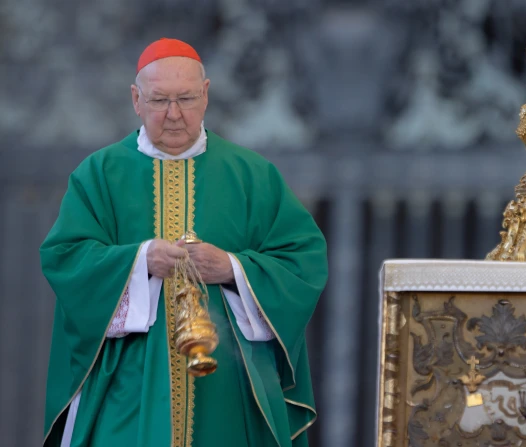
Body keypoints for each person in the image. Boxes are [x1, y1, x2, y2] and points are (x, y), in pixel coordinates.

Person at [40, 38, 328, 447]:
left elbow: (303, 260)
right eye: (159, 101)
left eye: (186, 98)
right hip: (129, 386)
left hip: (230, 389)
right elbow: (65, 258)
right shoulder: (99, 174)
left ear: (207, 95)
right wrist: (141, 261)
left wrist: (231, 268)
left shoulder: (252, 175)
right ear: (136, 99)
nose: (174, 115)